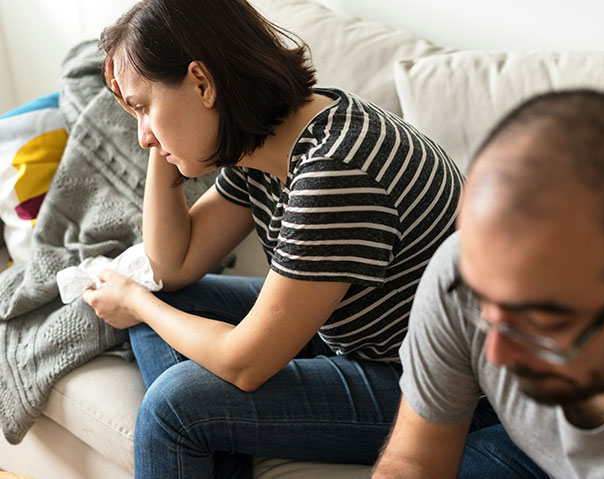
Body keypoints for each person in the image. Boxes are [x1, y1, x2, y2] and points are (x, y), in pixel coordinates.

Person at [76, 1, 544, 478]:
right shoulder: (269, 138)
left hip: (444, 395)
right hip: (360, 343)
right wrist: (163, 135)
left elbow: (245, 364)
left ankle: (213, 438)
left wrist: (135, 301)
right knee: (173, 303)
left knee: (175, 406)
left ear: (202, 83)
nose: (141, 137)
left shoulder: (337, 169)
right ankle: (221, 443)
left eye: (142, 107)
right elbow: (173, 263)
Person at [373, 89, 604, 478]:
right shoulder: (467, 273)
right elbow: (415, 462)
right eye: (482, 306)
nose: (497, 355)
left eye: (543, 320)